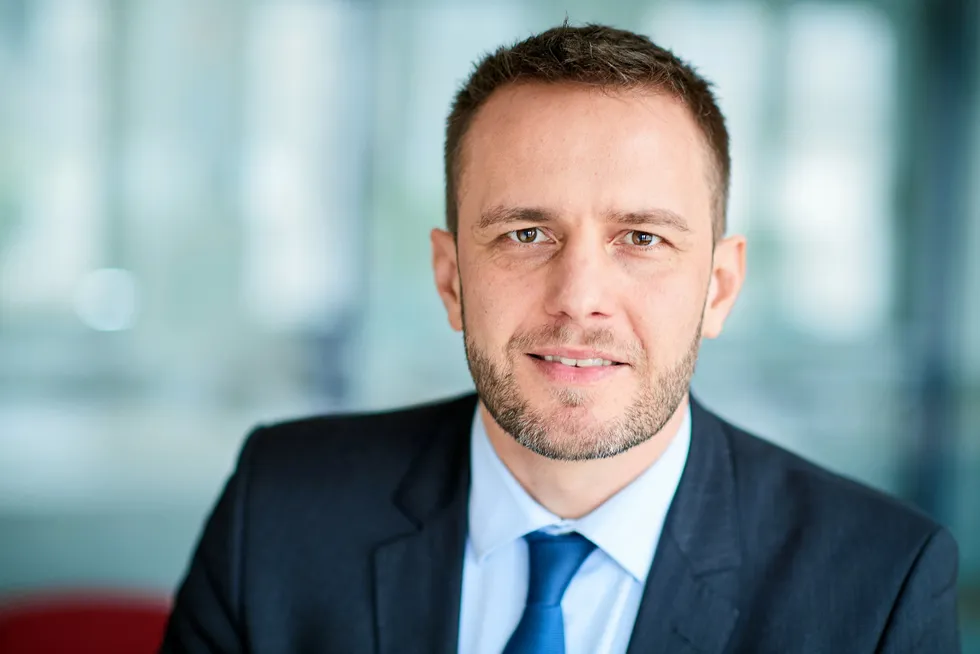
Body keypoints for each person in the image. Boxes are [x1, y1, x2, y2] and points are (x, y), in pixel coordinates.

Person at [160, 23, 960, 654]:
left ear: (718, 287)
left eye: (641, 238)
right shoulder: (279, 509)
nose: (579, 299)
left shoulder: (878, 583)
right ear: (450, 278)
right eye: (526, 234)